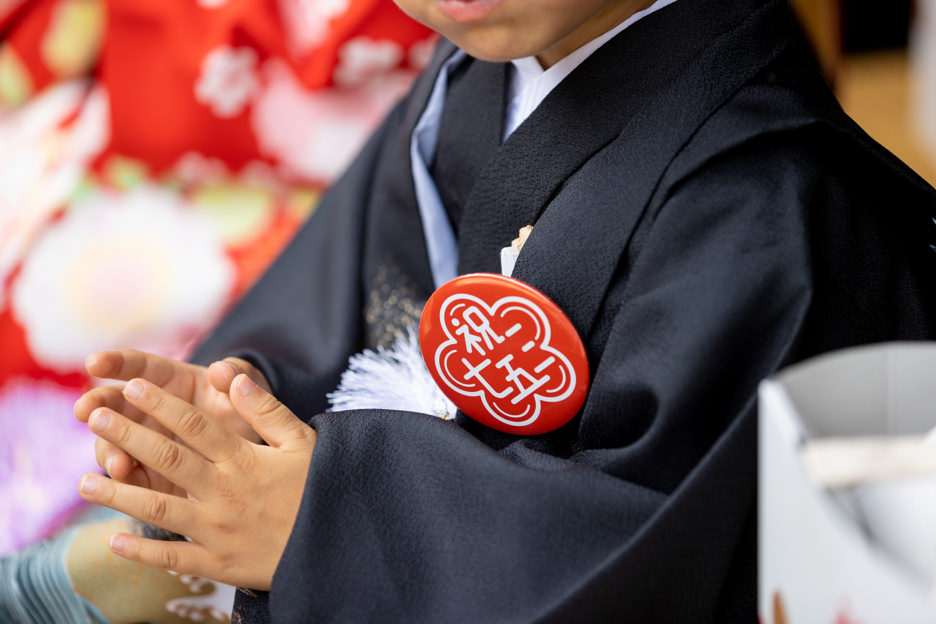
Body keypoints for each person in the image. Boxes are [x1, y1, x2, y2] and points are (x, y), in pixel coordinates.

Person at [74, 0, 936, 621]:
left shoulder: (776, 213)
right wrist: (240, 419)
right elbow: (353, 315)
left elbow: (678, 568)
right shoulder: (471, 80)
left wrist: (328, 523)